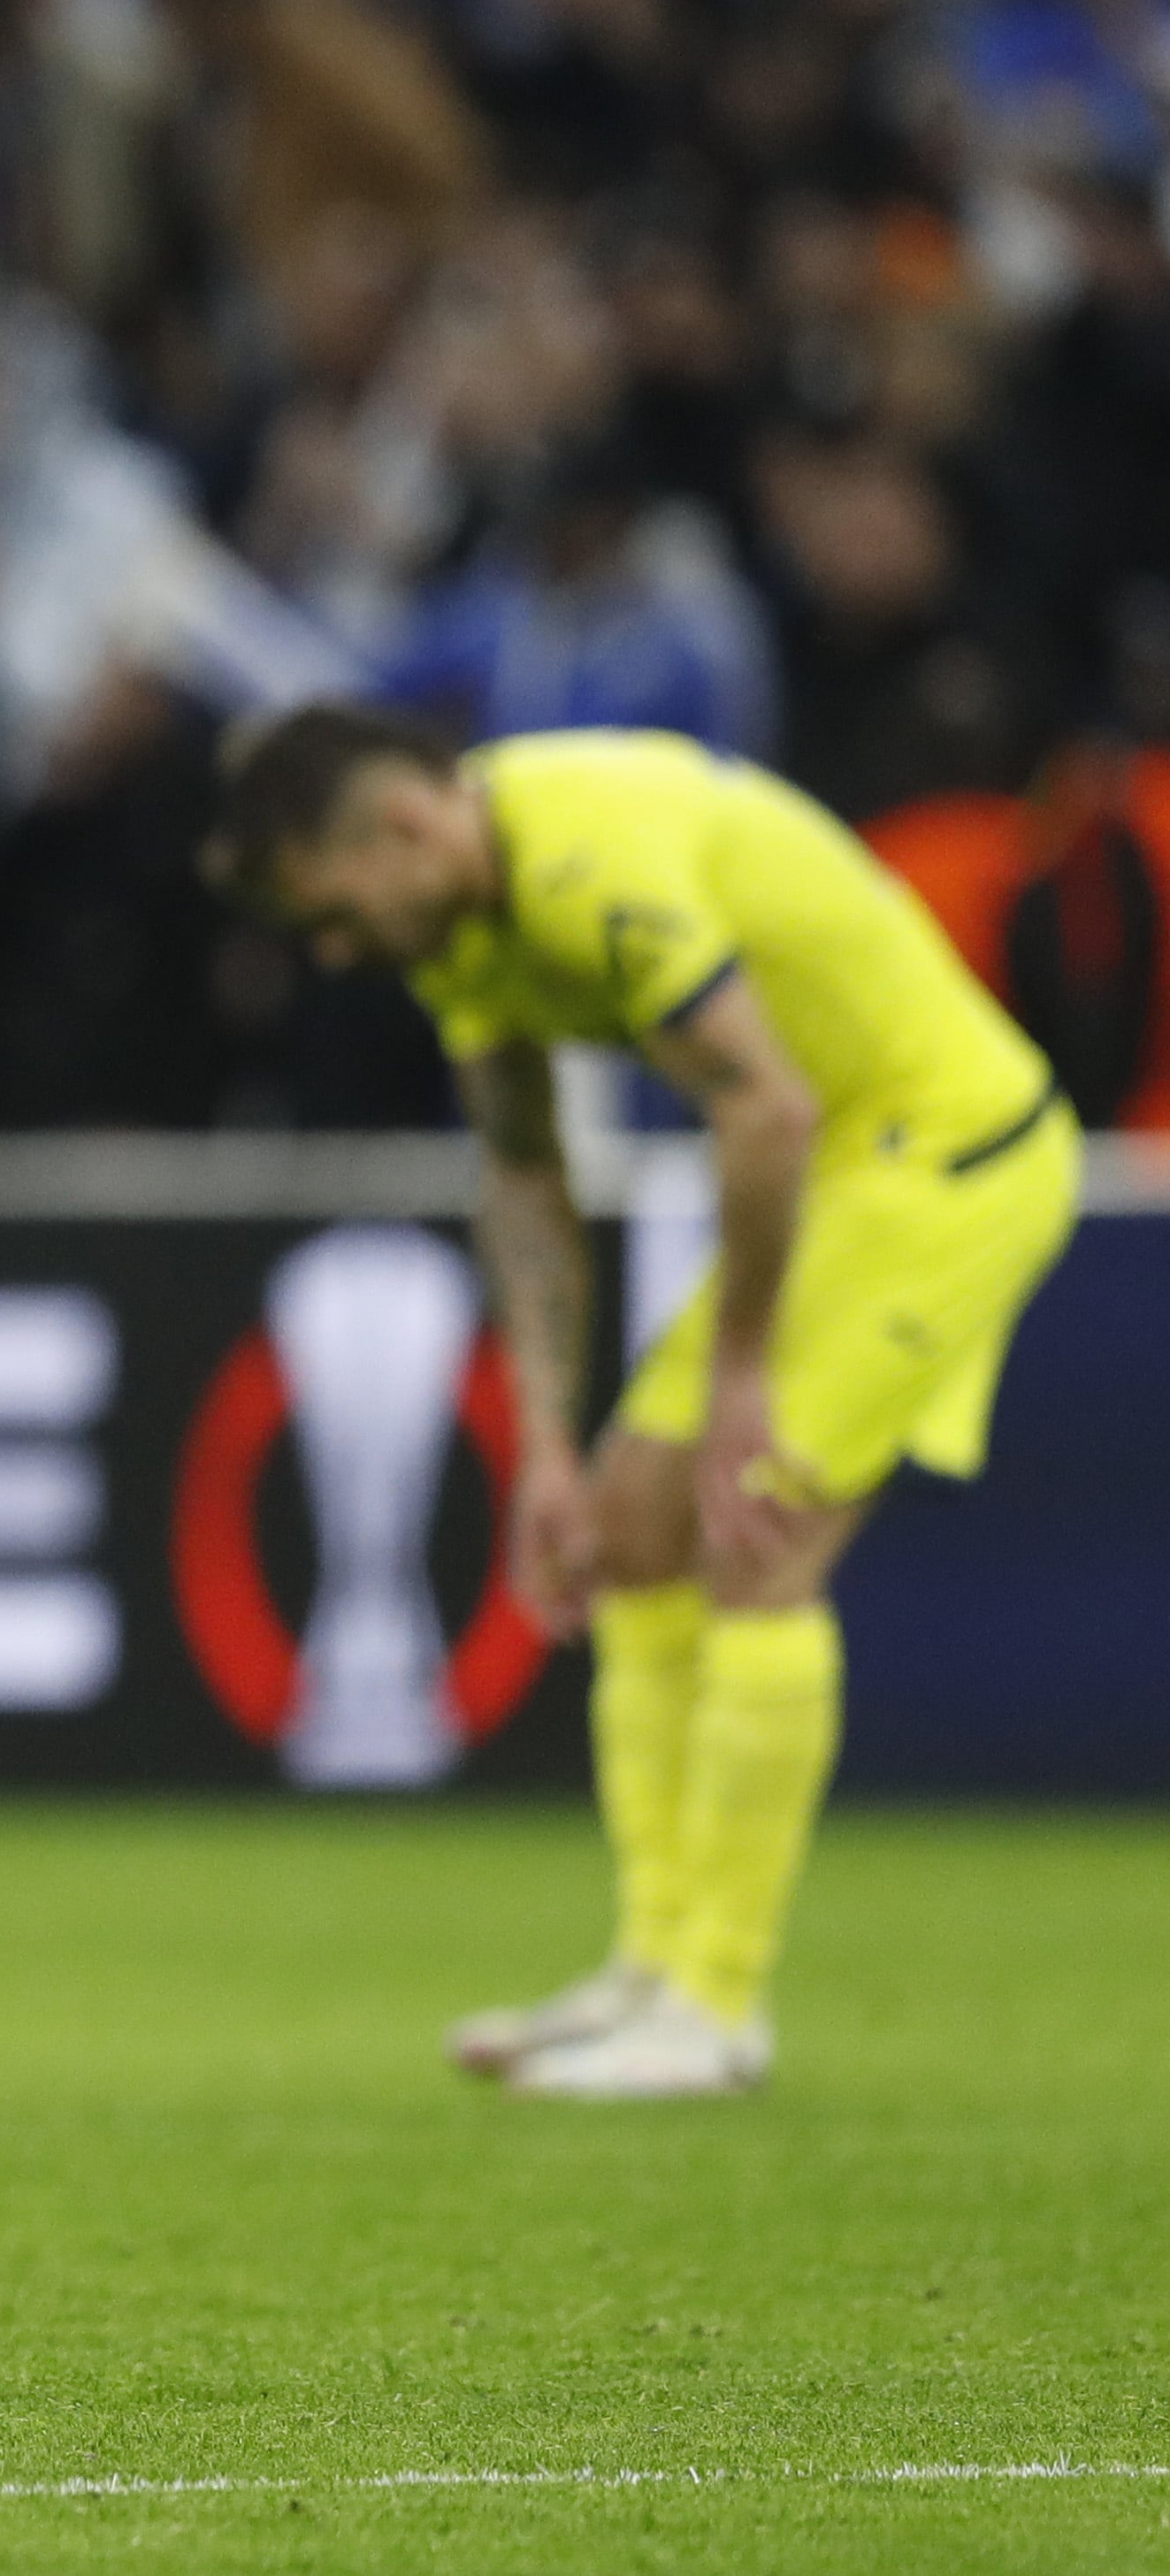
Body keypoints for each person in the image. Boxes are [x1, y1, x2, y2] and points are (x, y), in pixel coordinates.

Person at [210, 708, 1080, 2098]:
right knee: (625, 1529)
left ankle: (717, 2001)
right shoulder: (461, 930)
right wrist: (548, 1441)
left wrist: (741, 1377)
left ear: (405, 830)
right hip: (848, 1164)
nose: (331, 950)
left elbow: (769, 1106)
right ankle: (652, 1964)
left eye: (330, 912)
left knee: (759, 1535)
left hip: (945, 1158)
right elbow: (523, 1178)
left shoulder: (590, 860)